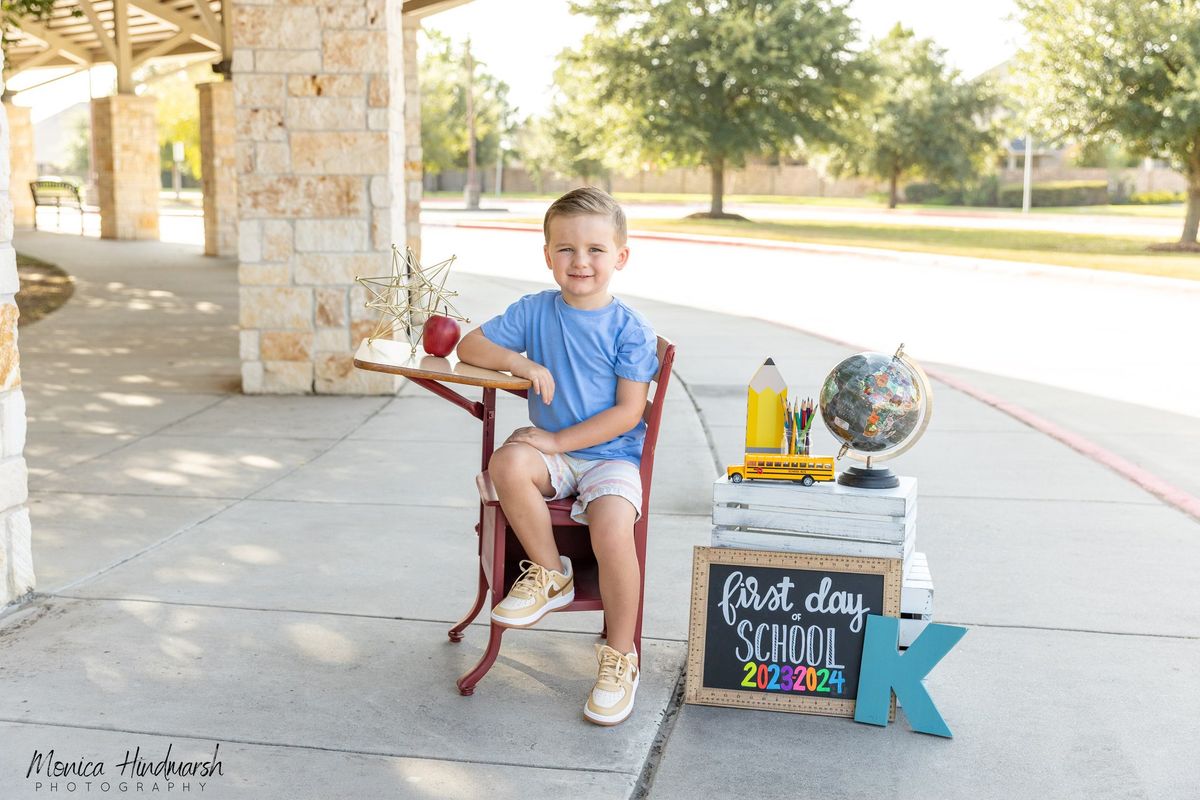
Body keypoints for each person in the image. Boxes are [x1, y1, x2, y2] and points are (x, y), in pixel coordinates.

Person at [456, 187, 659, 726]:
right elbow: (469, 347)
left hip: (609, 457)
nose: (581, 261)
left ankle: (620, 656)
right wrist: (520, 365)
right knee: (507, 463)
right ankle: (550, 572)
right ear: (548, 255)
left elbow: (627, 413)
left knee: (613, 523)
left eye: (595, 249)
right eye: (566, 249)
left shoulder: (629, 330)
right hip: (559, 461)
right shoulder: (535, 311)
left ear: (620, 256)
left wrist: (556, 441)